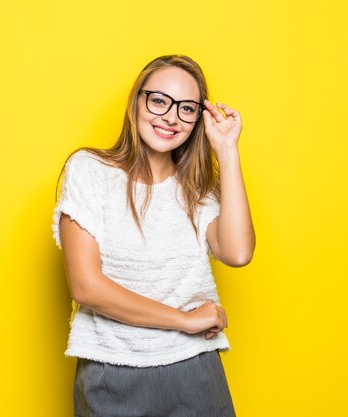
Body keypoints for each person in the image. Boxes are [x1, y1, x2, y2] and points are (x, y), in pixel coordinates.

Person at [51, 54, 255, 417]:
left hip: (195, 370)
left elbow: (238, 253)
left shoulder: (197, 188)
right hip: (112, 371)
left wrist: (227, 149)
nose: (171, 116)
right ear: (137, 101)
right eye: (159, 100)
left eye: (187, 108)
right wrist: (185, 320)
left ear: (198, 119)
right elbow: (86, 286)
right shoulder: (88, 170)